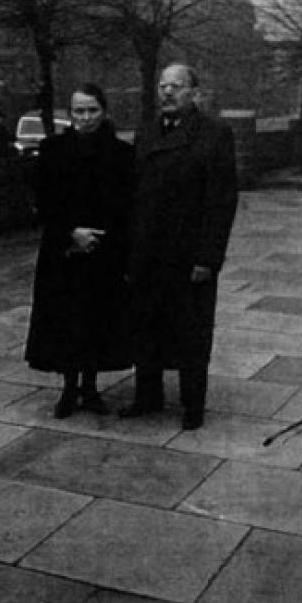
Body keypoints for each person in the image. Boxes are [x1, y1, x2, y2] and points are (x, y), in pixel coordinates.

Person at [120, 63, 239, 430]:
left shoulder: (214, 134)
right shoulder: (146, 132)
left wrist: (208, 257)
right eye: (163, 86)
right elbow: (134, 195)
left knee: (191, 331)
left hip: (187, 253)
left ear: (194, 93)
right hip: (148, 251)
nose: (168, 93)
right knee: (147, 324)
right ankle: (148, 396)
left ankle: (192, 405)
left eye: (177, 86)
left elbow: (222, 201)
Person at [24, 83, 135, 418]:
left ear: (104, 112)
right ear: (70, 114)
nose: (85, 118)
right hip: (63, 250)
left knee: (97, 319)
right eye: (78, 111)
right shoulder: (53, 149)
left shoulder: (121, 153)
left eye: (92, 111)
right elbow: (43, 201)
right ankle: (69, 388)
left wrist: (102, 238)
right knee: (65, 319)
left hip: (104, 252)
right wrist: (71, 233)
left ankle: (91, 386)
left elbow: (126, 204)